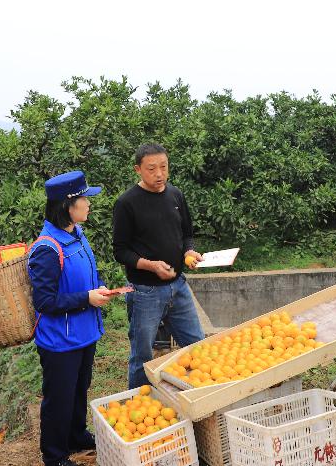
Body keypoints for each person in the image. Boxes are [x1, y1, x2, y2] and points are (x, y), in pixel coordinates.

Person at [28, 170, 112, 466]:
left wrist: (96, 290)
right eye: (85, 199)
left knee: (79, 390)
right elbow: (45, 301)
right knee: (59, 399)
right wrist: (86, 298)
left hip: (84, 332)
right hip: (60, 340)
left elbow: (81, 280)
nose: (89, 204)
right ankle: (55, 456)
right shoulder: (47, 249)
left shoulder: (76, 235)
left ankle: (76, 435)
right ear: (68, 204)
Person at [112, 143, 206, 389]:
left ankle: (197, 392)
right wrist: (151, 266)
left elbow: (187, 234)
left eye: (164, 167)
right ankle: (138, 404)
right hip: (145, 292)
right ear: (138, 170)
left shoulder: (175, 195)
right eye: (152, 169)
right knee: (142, 355)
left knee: (197, 344)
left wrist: (189, 251)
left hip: (179, 286)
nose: (159, 174)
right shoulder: (127, 203)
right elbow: (120, 251)